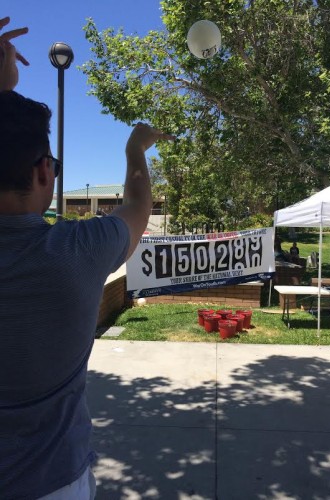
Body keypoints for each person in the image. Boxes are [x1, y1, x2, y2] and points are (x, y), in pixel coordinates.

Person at [0, 17, 175, 500]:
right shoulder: (75, 251)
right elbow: (138, 207)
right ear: (43, 171)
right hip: (53, 483)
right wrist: (135, 148)